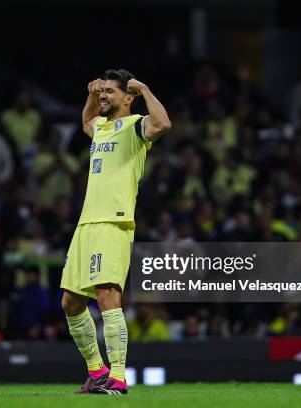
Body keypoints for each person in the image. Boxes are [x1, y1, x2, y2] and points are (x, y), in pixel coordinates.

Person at [60, 69, 171, 395]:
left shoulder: (136, 125)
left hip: (113, 222)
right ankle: (97, 372)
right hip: (86, 224)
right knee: (70, 303)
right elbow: (86, 122)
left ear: (128, 97)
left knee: (108, 297)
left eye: (111, 91)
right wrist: (92, 95)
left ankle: (119, 376)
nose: (105, 95)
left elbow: (163, 123)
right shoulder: (103, 126)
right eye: (103, 90)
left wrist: (145, 87)